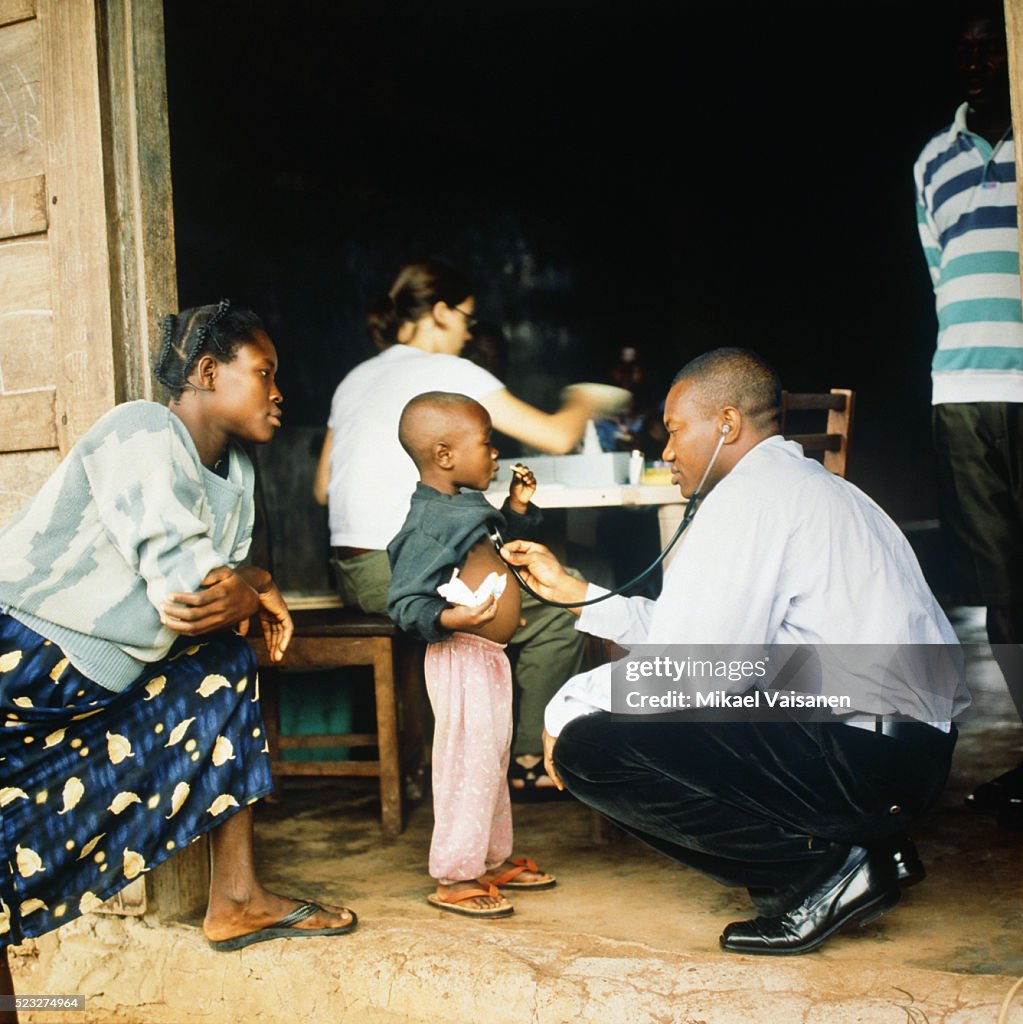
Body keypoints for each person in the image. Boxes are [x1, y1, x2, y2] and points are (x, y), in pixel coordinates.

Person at [501, 347, 971, 956]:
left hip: (864, 762)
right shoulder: (812, 487)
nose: (667, 451)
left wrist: (565, 706)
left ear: (726, 424)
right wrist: (582, 597)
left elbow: (702, 669)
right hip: (904, 759)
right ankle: (869, 849)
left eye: (674, 431)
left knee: (591, 748)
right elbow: (708, 636)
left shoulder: (748, 500)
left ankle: (819, 874)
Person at [0, 302, 355, 1022]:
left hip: (88, 688)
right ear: (205, 372)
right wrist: (253, 586)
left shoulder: (238, 476)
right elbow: (192, 596)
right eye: (264, 373)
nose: (278, 392)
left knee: (223, 665)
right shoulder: (140, 428)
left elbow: (216, 604)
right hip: (22, 669)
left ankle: (235, 898)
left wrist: (245, 589)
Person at [313, 259, 611, 796]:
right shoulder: (451, 375)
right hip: (407, 571)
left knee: (504, 581)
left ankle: (475, 756)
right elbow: (557, 437)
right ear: (442, 312)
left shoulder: (354, 377)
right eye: (468, 320)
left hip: (353, 572)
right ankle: (529, 758)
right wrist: (586, 399)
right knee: (561, 603)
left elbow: (321, 489)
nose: (471, 334)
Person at [913, 0, 1023, 827]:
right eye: (967, 51)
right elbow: (938, 273)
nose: (979, 62)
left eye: (993, 47)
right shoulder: (931, 160)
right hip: (961, 393)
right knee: (1002, 586)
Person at [385, 392, 557, 917]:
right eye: (485, 444)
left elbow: (496, 548)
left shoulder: (460, 505)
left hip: (487, 656)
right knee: (467, 765)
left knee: (492, 761)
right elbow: (405, 600)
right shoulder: (429, 521)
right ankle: (455, 875)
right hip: (460, 657)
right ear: (444, 455)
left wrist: (517, 510)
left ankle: (488, 857)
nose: (495, 455)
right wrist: (448, 618)